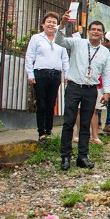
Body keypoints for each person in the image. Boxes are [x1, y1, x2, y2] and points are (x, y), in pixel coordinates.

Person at [55, 13, 110, 171]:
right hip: (73, 87)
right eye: (93, 29)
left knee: (85, 124)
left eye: (99, 30)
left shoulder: (105, 52)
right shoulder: (77, 43)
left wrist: (107, 92)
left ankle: (82, 156)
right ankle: (65, 156)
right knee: (69, 122)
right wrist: (62, 24)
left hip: (90, 90)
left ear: (102, 33)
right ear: (89, 31)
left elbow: (106, 73)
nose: (96, 32)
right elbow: (59, 40)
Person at [25, 12, 69, 143]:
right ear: (43, 24)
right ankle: (41, 133)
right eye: (49, 22)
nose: (51, 24)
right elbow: (29, 57)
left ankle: (49, 131)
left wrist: (67, 75)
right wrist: (30, 74)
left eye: (54, 22)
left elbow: (65, 59)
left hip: (55, 75)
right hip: (40, 74)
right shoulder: (36, 38)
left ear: (57, 25)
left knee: (51, 104)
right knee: (41, 104)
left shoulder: (60, 40)